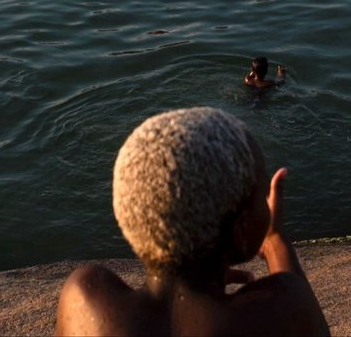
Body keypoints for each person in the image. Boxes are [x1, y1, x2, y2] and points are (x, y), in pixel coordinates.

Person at [56, 106, 329, 337]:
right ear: (241, 231)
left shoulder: (82, 296)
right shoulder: (282, 309)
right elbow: (301, 307)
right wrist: (273, 240)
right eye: (260, 198)